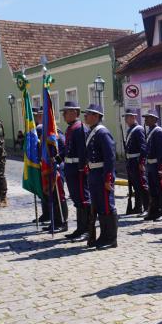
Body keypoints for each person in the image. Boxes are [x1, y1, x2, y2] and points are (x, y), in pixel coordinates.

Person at [83, 104, 118, 249]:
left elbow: (110, 157)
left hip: (102, 175)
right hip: (94, 175)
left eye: (88, 114)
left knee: (107, 206)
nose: (85, 116)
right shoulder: (92, 132)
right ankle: (103, 236)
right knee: (98, 206)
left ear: (96, 116)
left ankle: (111, 238)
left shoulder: (102, 133)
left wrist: (108, 178)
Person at [61, 101, 91, 241]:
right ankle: (80, 229)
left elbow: (83, 152)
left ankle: (87, 230)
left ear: (74, 112)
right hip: (71, 170)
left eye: (66, 112)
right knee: (77, 200)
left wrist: (81, 169)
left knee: (84, 200)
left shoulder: (80, 128)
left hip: (78, 171)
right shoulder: (71, 128)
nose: (63, 115)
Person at [143, 110, 162, 221]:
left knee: (161, 189)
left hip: (157, 166)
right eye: (145, 118)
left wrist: (161, 168)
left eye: (148, 118)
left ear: (155, 119)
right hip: (150, 165)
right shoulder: (150, 131)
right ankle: (154, 211)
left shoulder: (158, 132)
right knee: (153, 190)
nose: (145, 120)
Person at [122, 110, 148, 216]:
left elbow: (143, 147)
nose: (126, 119)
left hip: (137, 162)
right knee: (136, 187)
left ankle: (147, 207)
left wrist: (141, 162)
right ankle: (138, 207)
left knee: (142, 185)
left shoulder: (138, 130)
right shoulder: (130, 130)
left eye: (127, 117)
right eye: (125, 117)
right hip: (131, 162)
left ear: (133, 117)